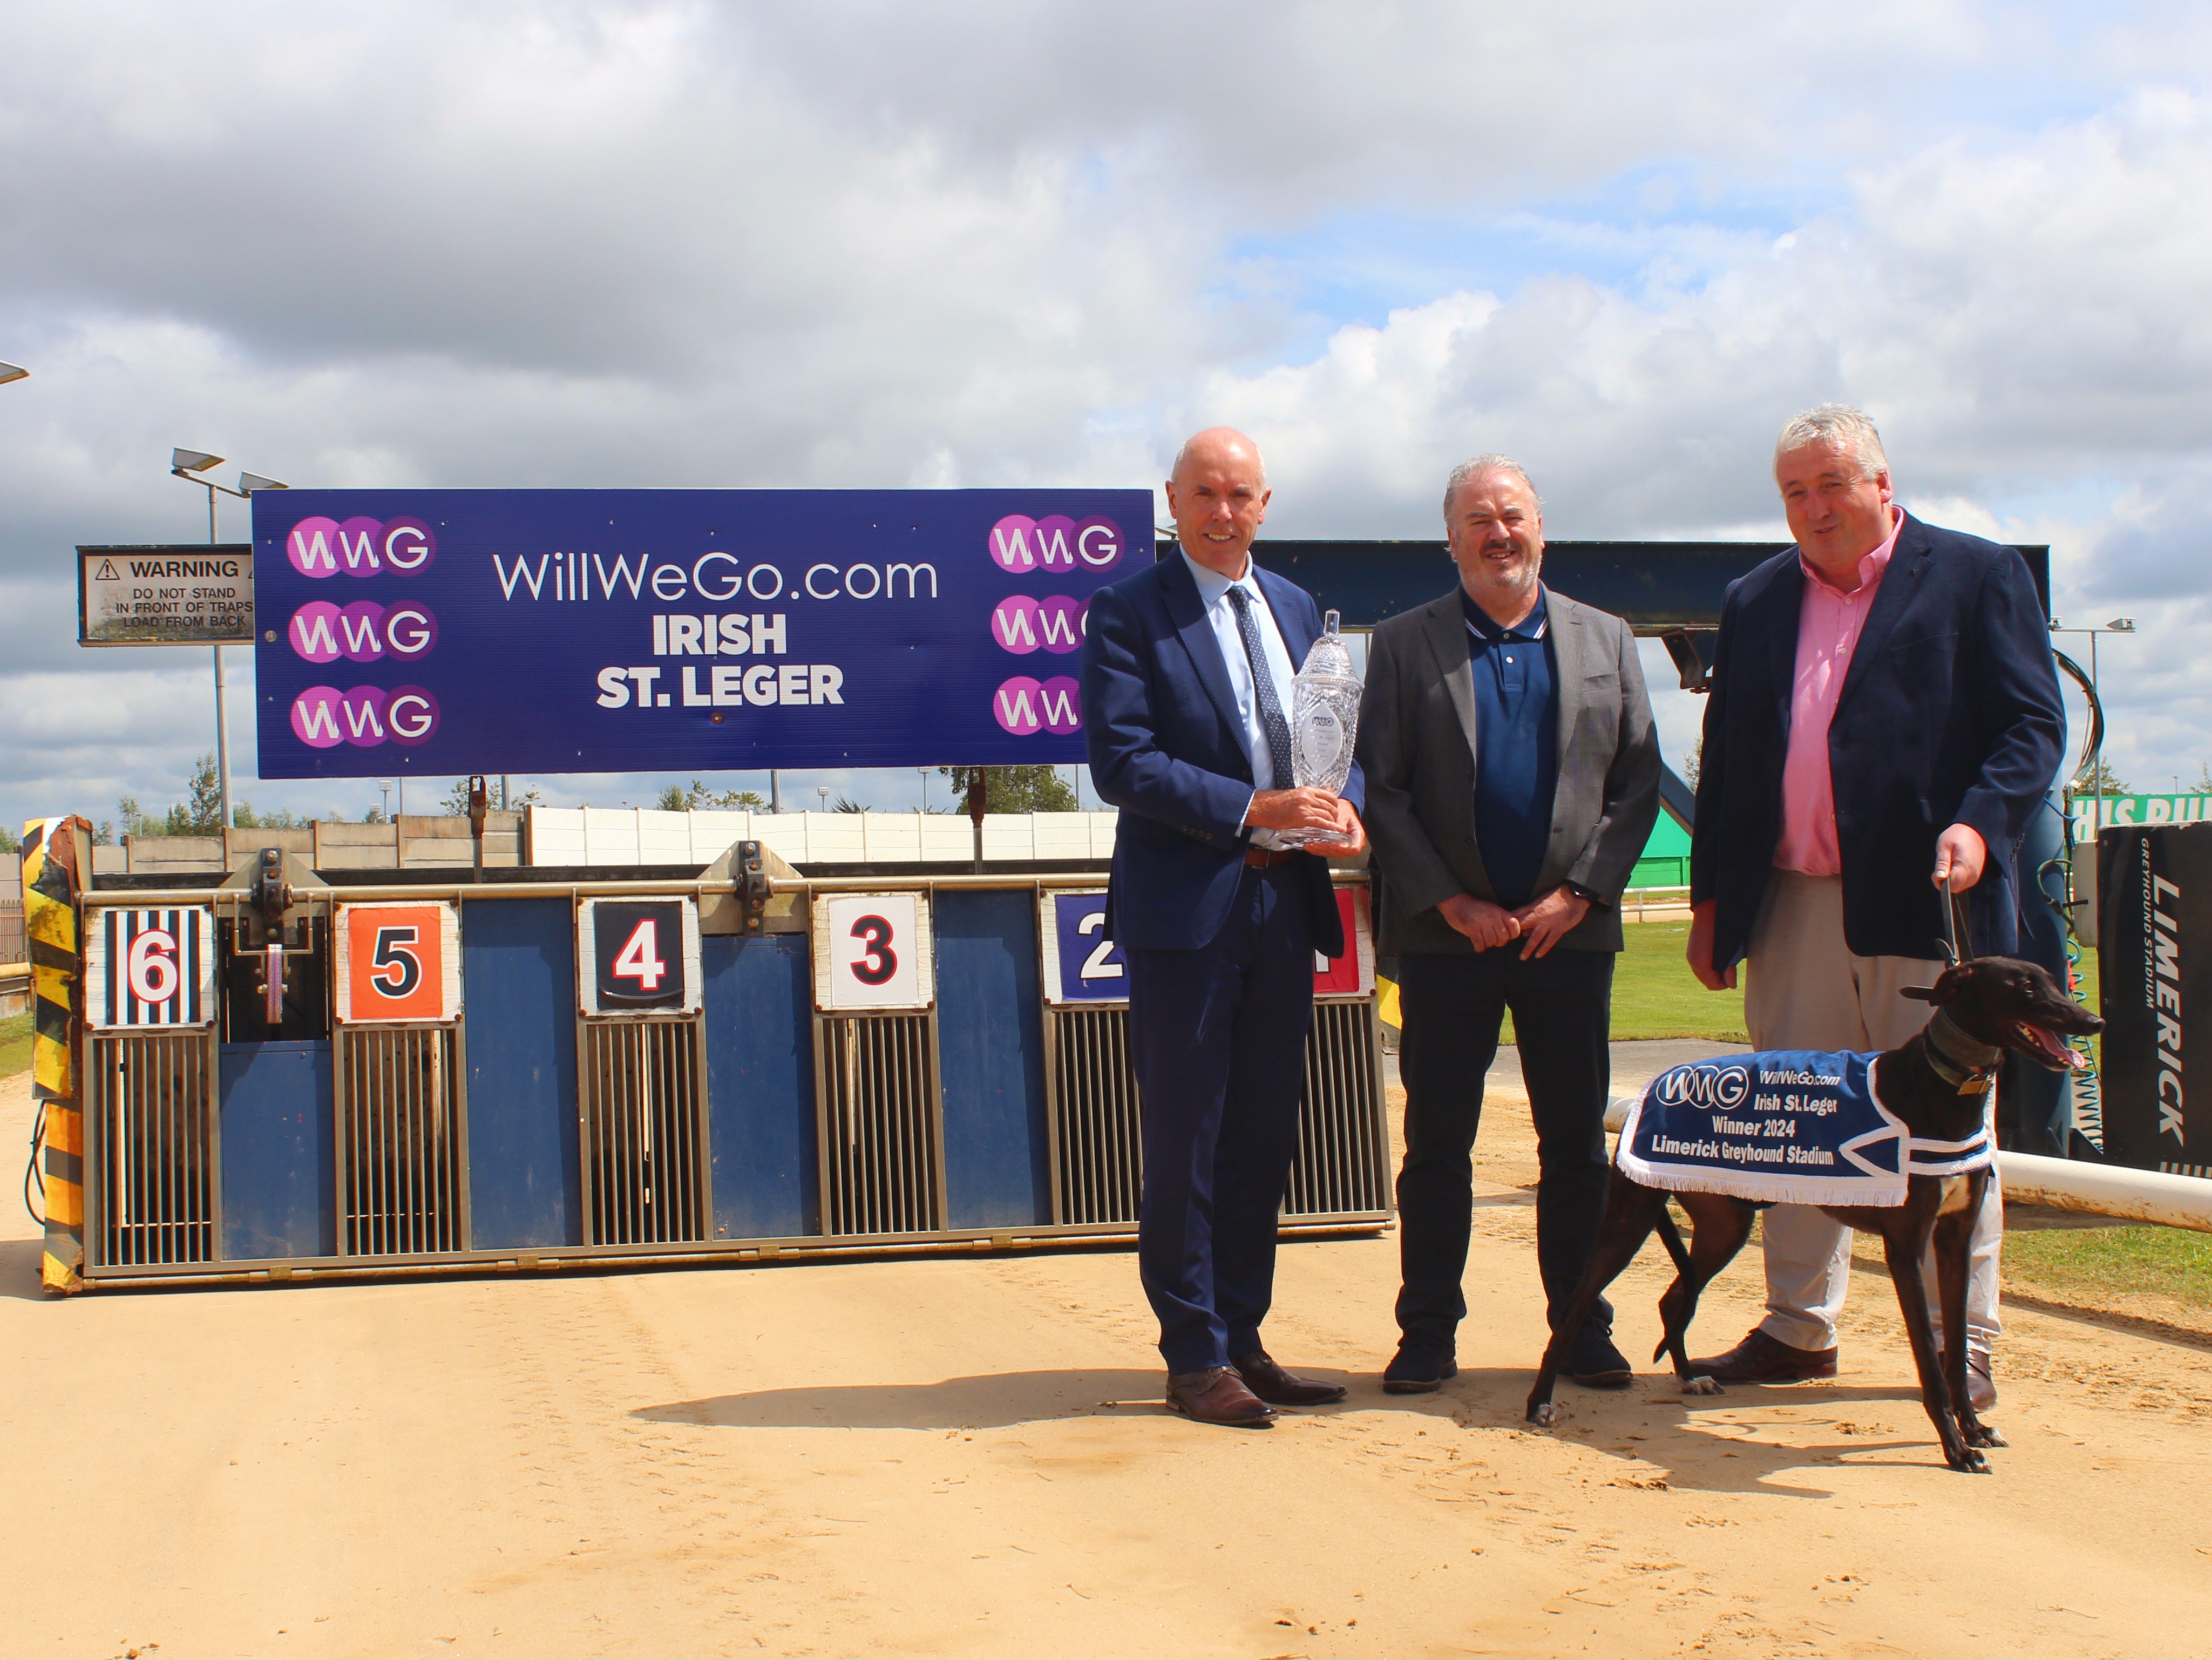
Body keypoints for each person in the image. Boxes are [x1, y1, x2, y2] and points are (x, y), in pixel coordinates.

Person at [1686, 404, 2065, 1406]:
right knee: (1798, 1122)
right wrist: (1711, 902)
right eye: (1793, 492)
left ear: (1882, 485)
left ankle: (1959, 1345)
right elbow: (1727, 758)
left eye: (1830, 485)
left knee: (1944, 1140)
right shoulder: (1754, 597)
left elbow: (2032, 726)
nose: (1813, 508)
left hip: (1929, 903)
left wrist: (1981, 823)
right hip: (1788, 904)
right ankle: (1797, 1328)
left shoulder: (1978, 575)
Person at [1081, 426, 1368, 1427]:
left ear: (1264, 504)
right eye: (1203, 493)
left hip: (1285, 905)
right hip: (1187, 914)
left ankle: (1243, 1337)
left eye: (1240, 494)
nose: (1222, 511)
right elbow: (1122, 762)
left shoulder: (1291, 606)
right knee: (1187, 1142)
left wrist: (1342, 806)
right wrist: (1254, 809)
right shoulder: (1128, 611)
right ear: (1172, 501)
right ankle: (1194, 1355)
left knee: (1260, 1138)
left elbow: (1333, 740)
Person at [1355, 455, 1660, 1393]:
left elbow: (1637, 784)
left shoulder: (1608, 639)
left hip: (1569, 937)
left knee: (1573, 1146)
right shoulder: (1400, 645)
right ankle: (1425, 1334)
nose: (1499, 534)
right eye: (1479, 521)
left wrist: (1578, 895)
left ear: (1540, 527)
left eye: (1512, 516)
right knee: (1435, 1147)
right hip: (1446, 943)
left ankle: (1580, 1325)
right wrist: (1452, 903)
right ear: (1451, 540)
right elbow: (1382, 790)